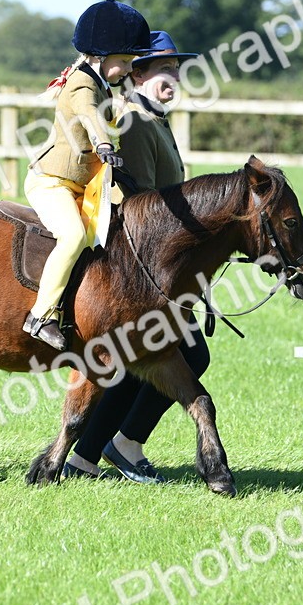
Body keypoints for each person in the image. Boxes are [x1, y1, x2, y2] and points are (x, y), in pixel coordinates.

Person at [60, 30, 210, 481]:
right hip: (139, 260)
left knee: (137, 362)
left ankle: (89, 457)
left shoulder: (155, 118)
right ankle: (121, 445)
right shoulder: (135, 121)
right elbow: (141, 198)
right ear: (138, 74)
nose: (173, 78)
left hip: (157, 259)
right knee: (183, 355)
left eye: (176, 70)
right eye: (163, 69)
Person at [23, 0, 152, 351]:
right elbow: (89, 115)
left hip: (83, 184)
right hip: (52, 182)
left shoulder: (100, 82)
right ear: (100, 55)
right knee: (73, 236)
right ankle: (40, 315)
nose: (127, 69)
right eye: (124, 62)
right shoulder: (82, 84)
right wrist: (104, 144)